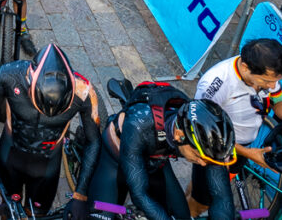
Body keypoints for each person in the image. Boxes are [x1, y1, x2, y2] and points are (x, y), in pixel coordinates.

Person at [188, 38, 282, 216]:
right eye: (266, 81)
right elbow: (202, 132)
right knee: (202, 204)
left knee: (198, 188)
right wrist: (249, 154)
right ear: (245, 67)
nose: (272, 86)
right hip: (215, 150)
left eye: (276, 81)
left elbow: (279, 100)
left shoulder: (267, 75)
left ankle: (187, 200)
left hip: (241, 147)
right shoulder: (216, 83)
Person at [0, 44, 101, 218]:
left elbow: (93, 141)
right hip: (11, 156)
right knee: (8, 212)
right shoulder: (8, 75)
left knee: (37, 215)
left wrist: (80, 194)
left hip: (46, 168)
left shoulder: (84, 91)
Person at [87, 87, 236, 220]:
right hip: (115, 159)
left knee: (182, 216)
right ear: (179, 135)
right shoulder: (140, 124)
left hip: (155, 160)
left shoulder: (206, 142)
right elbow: (139, 194)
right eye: (199, 156)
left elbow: (221, 197)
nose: (203, 164)